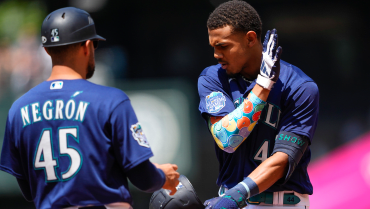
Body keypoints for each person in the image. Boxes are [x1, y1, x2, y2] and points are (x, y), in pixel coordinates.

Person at [0, 7, 179, 209]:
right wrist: (163, 176)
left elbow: (28, 190)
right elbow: (143, 178)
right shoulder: (111, 100)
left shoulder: (18, 109)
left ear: (47, 50)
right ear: (87, 46)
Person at [198, 1, 319, 209]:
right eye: (213, 47)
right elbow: (227, 139)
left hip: (283, 204)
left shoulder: (300, 86)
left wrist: (238, 194)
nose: (217, 55)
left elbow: (282, 160)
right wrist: (263, 85)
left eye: (223, 46)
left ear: (250, 39)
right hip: (228, 201)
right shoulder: (212, 78)